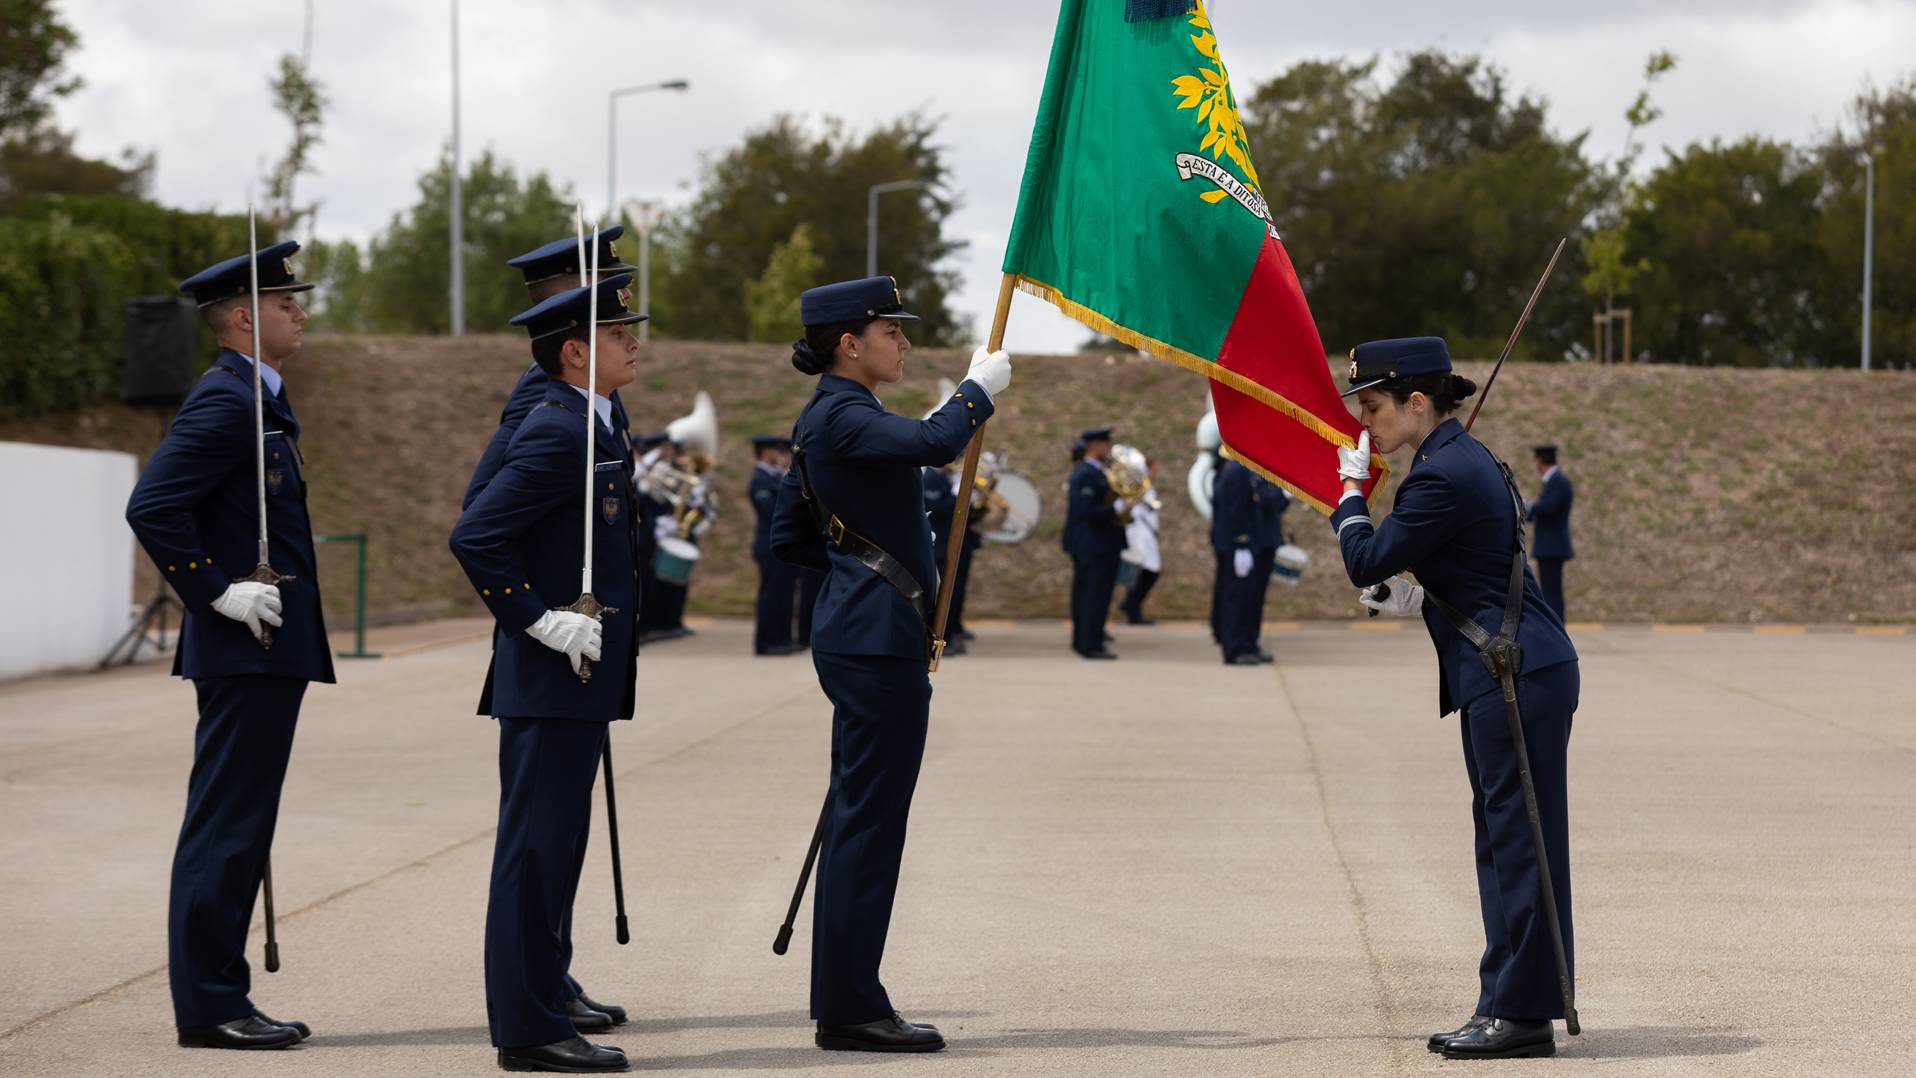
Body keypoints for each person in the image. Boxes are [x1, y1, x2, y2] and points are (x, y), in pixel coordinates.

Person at [769, 275, 1011, 1052]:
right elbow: (937, 443)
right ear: (850, 342)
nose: (902, 343)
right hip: (874, 642)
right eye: (891, 331)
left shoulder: (830, 419)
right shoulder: (842, 416)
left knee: (862, 817)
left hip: (869, 633)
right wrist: (978, 390)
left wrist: (856, 564)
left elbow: (792, 540)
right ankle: (850, 1009)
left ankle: (847, 998)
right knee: (869, 824)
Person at [1329, 337, 1579, 1060]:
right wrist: (1416, 601)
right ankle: (1507, 1001)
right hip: (1514, 666)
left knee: (1516, 845)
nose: (1365, 422)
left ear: (1416, 402)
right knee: (1507, 842)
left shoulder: (1439, 475)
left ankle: (1521, 1014)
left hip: (1512, 674)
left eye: (1372, 406)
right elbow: (1469, 569)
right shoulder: (1464, 461)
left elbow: (1363, 559)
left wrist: (1349, 497)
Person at [125, 242, 332, 1051]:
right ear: (245, 317)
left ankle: (221, 993)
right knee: (228, 825)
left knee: (240, 821)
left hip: (265, 646)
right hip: (245, 643)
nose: (301, 311)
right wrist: (213, 590)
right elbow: (153, 506)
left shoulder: (258, 399)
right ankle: (211, 1004)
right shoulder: (226, 403)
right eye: (287, 303)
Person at [448, 274, 645, 1074]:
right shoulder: (558, 427)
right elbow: (476, 534)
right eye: (618, 331)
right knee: (534, 855)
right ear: (573, 352)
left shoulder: (592, 422)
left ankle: (544, 998)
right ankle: (528, 1030)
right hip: (550, 670)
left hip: (578, 674)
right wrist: (538, 616)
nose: (635, 340)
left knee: (556, 850)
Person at [464, 226, 636, 511]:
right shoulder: (546, 383)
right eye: (610, 282)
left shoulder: (592, 377)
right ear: (575, 292)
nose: (626, 294)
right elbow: (481, 502)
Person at [1064, 427, 1126, 659]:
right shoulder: (1086, 474)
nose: (1108, 449)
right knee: (1093, 595)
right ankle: (1089, 643)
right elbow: (1086, 511)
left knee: (1093, 594)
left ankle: (1088, 640)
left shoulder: (1098, 472)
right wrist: (1117, 508)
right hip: (1094, 544)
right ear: (1095, 446)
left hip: (1100, 543)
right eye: (1105, 444)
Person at [751, 435, 805, 655]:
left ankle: (782, 638)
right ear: (766, 452)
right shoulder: (760, 479)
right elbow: (773, 511)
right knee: (772, 594)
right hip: (768, 544)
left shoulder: (773, 477)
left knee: (784, 594)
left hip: (781, 545)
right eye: (777, 451)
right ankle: (767, 642)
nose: (782, 456)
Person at [1211, 457, 1267, 665]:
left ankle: (1241, 645)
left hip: (1239, 543)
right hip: (1238, 544)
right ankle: (1233, 648)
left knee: (1243, 597)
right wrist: (1241, 542)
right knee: (1236, 598)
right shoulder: (1237, 471)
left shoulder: (1239, 469)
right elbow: (1236, 510)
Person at [1526, 444, 1574, 621]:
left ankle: (1557, 626)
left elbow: (1549, 507)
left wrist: (1527, 507)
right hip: (1551, 545)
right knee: (1550, 590)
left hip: (1552, 545)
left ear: (1539, 461)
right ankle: (1556, 625)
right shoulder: (1555, 480)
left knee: (1551, 592)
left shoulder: (1557, 481)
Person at [1119, 460, 1162, 625]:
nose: (1155, 474)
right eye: (1153, 470)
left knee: (1146, 572)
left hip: (1147, 534)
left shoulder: (1148, 488)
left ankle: (1132, 607)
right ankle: (1131, 606)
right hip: (1139, 534)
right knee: (1148, 572)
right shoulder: (1138, 486)